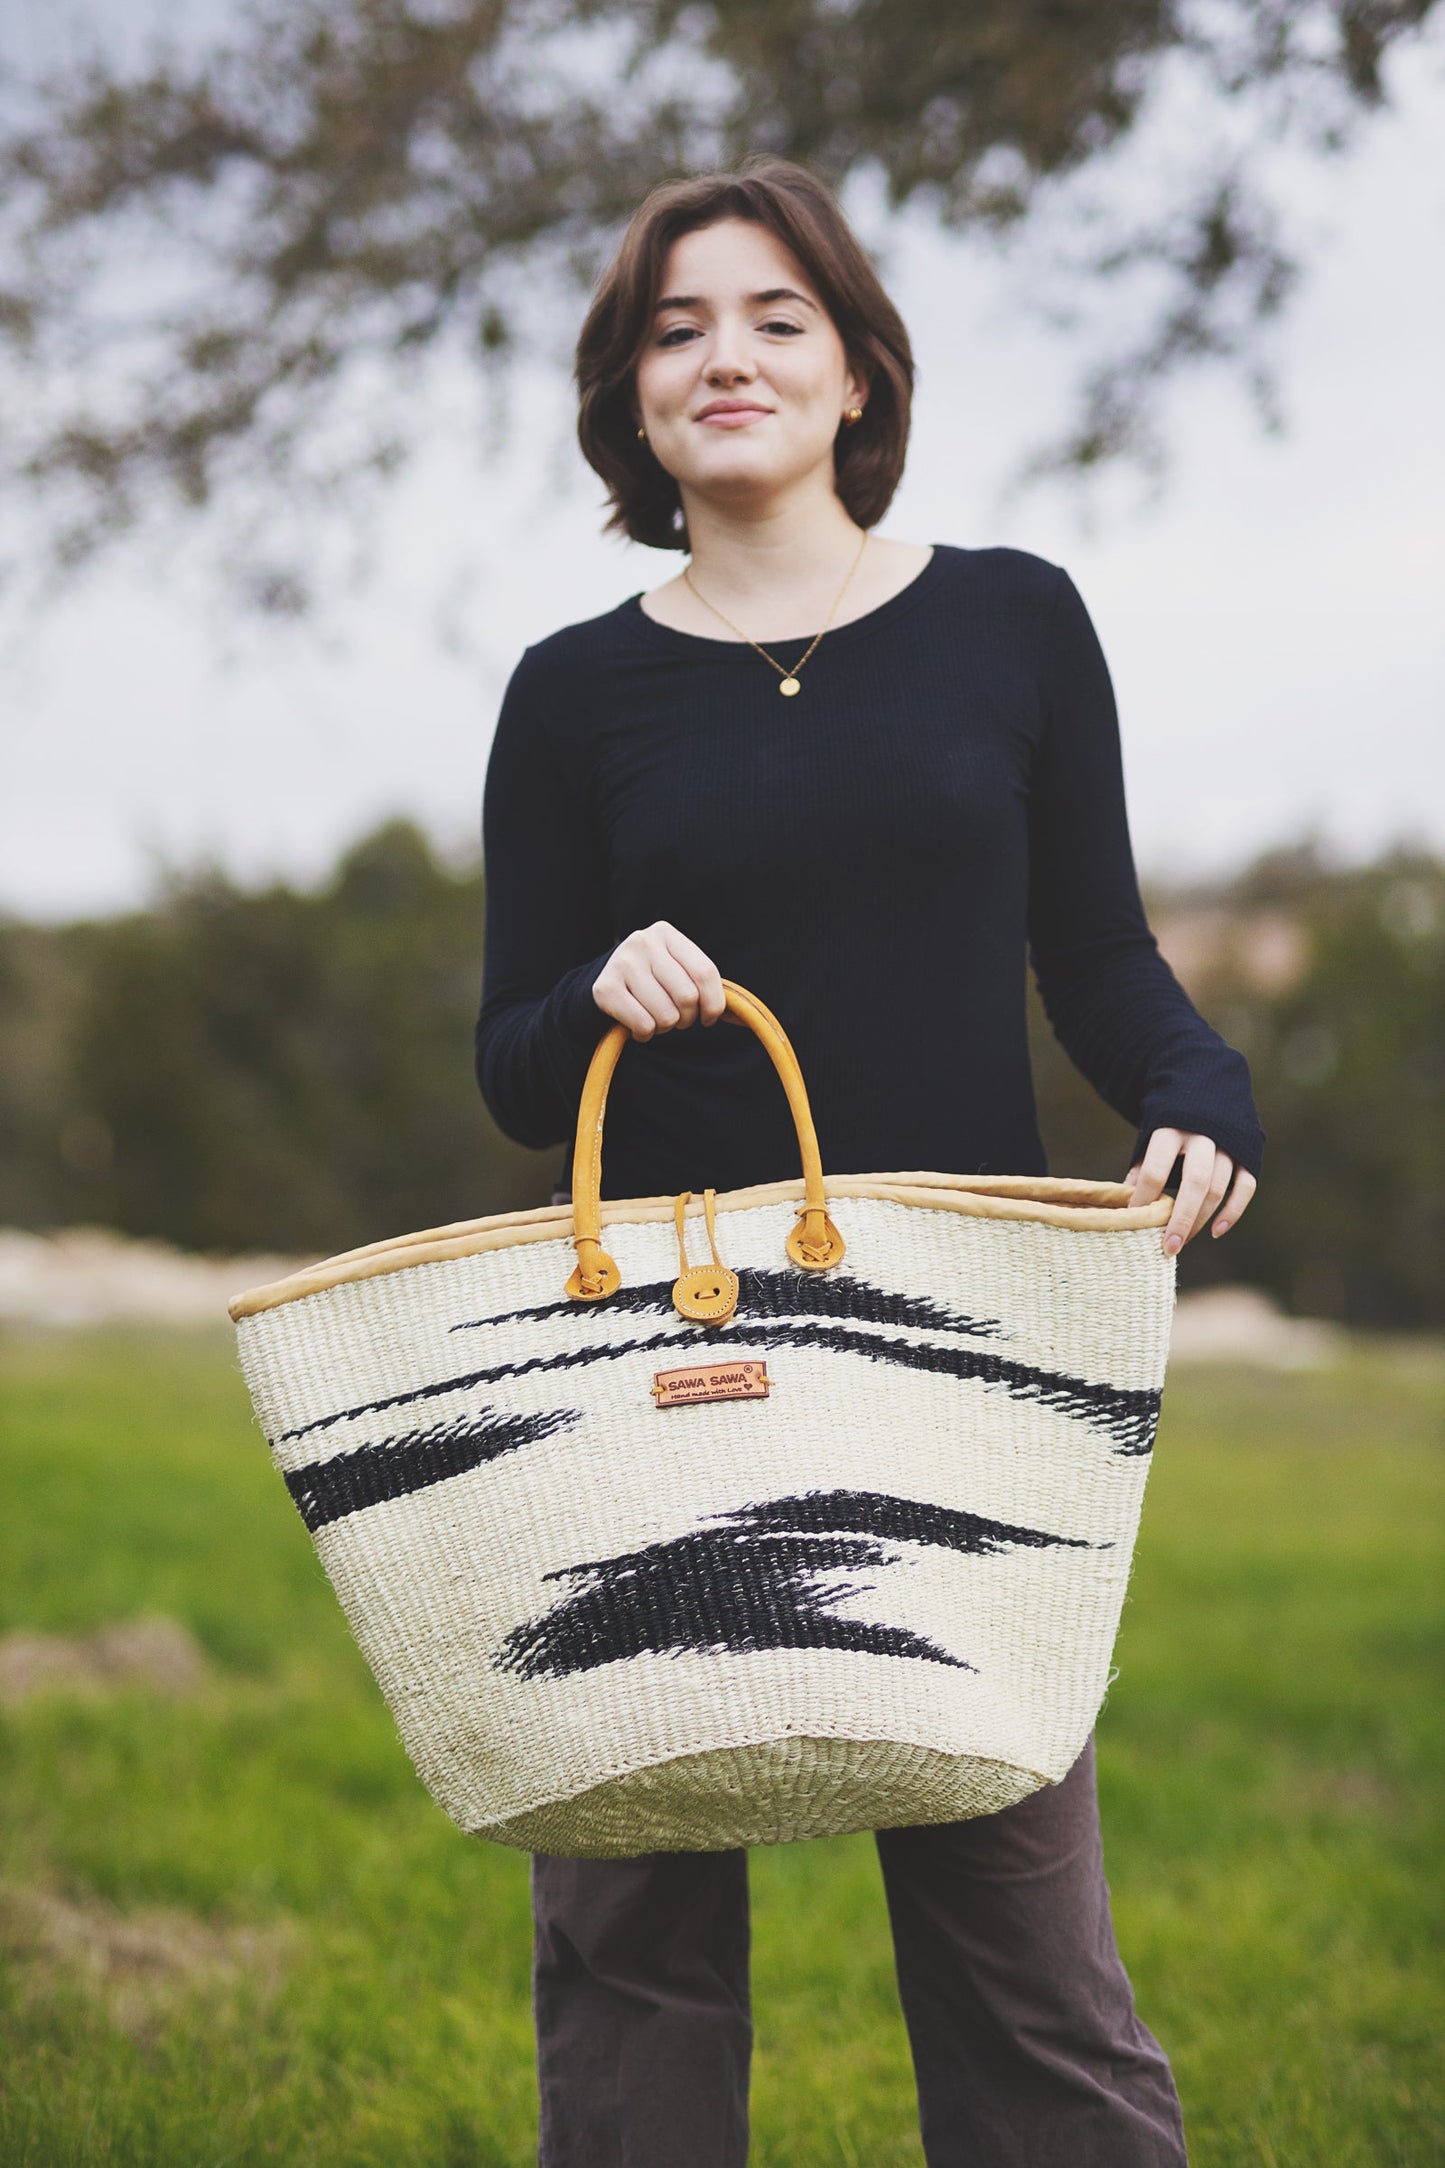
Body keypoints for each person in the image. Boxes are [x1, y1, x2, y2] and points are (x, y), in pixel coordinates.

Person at [474, 154, 1262, 2168]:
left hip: (953, 1347)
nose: (722, 355)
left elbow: (1097, 957)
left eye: (773, 317)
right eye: (675, 328)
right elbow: (509, 1059)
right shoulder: (572, 694)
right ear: (629, 397)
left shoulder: (1011, 622)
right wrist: (592, 995)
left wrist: (1203, 1089)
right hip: (660, 1358)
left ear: (855, 373)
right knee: (636, 1928)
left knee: (1022, 1936)